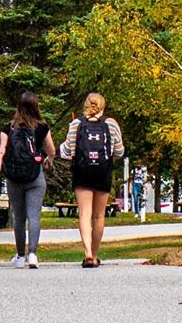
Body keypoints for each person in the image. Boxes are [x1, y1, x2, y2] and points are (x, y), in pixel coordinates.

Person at [0, 90, 56, 268]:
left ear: (19, 106)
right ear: (36, 106)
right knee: (34, 216)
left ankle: (20, 257)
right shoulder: (42, 127)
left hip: (14, 178)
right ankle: (32, 254)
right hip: (35, 177)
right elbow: (52, 150)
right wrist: (48, 160)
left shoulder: (8, 127)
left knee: (18, 218)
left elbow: (1, 152)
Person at [58, 91, 125, 268]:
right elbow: (119, 151)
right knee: (99, 216)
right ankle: (95, 256)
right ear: (103, 105)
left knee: (84, 214)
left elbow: (67, 151)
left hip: (82, 171)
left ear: (86, 105)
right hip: (103, 171)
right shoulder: (111, 124)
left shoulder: (76, 124)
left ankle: (87, 253)